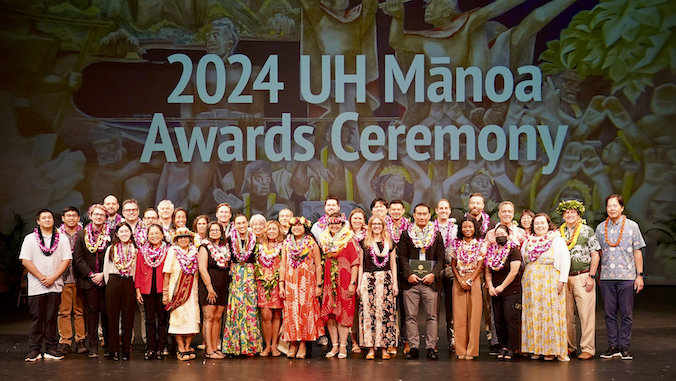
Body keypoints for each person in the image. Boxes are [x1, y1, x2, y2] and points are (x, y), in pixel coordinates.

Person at [596, 194, 645, 360]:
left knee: (626, 313)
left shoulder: (632, 226)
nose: (612, 208)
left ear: (622, 208)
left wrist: (639, 275)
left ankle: (624, 346)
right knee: (609, 313)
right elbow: (598, 253)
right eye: (609, 206)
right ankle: (612, 346)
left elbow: (637, 251)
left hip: (627, 276)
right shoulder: (600, 228)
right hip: (607, 277)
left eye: (615, 205)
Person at [21, 209, 72, 361]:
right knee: (37, 317)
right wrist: (42, 277)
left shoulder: (62, 239)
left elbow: (66, 259)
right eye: (44, 218)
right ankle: (34, 349)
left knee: (51, 317)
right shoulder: (30, 239)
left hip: (55, 284)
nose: (47, 220)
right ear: (38, 221)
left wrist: (53, 277)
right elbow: (26, 261)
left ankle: (51, 348)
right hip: (37, 284)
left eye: (50, 217)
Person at [398, 203, 445, 360]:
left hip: (430, 282)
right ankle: (413, 347)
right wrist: (409, 274)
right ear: (414, 215)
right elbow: (402, 257)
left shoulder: (436, 235)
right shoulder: (406, 234)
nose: (422, 216)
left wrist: (433, 274)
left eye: (425, 214)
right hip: (411, 282)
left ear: (429, 215)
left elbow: (441, 258)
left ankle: (431, 347)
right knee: (410, 316)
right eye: (419, 214)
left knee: (432, 316)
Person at [521, 213, 571, 361]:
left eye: (542, 223)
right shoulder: (528, 241)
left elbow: (565, 261)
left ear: (548, 224)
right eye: (536, 224)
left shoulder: (556, 240)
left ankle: (551, 349)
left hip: (550, 281)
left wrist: (562, 281)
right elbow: (524, 261)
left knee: (550, 313)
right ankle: (535, 348)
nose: (539, 226)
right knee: (533, 314)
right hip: (532, 282)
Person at [556, 200, 600, 360]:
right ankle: (569, 346)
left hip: (583, 276)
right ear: (563, 215)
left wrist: (591, 276)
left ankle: (588, 348)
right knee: (566, 314)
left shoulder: (587, 231)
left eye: (572, 212)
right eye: (566, 212)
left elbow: (595, 254)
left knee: (585, 314)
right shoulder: (557, 232)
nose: (569, 214)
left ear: (578, 214)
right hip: (563, 278)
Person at [484, 201, 527, 354]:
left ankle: (515, 347)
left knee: (512, 317)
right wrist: (490, 285)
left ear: (513, 212)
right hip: (495, 283)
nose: (507, 214)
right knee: (497, 318)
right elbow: (486, 262)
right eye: (504, 211)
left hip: (514, 282)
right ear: (499, 213)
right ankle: (499, 345)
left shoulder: (521, 233)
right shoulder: (490, 235)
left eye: (509, 211)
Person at [279, 217, 324, 358]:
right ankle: (293, 344)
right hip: (291, 283)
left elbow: (318, 265)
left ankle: (303, 345)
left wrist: (318, 285)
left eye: (299, 225)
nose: (296, 228)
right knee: (291, 313)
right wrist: (281, 284)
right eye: (294, 226)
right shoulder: (286, 243)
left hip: (307, 283)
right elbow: (283, 265)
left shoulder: (311, 243)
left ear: (305, 227)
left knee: (305, 312)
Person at [318, 213, 360, 359]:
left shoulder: (348, 240)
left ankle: (343, 346)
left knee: (344, 314)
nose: (334, 226)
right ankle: (334, 346)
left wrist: (352, 283)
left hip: (345, 282)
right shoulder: (325, 242)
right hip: (330, 283)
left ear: (342, 225)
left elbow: (355, 263)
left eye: (337, 224)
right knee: (331, 315)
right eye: (331, 224)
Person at [73, 204, 111, 358]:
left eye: (102, 215)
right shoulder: (81, 235)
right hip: (89, 281)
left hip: (107, 279)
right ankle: (93, 346)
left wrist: (103, 274)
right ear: (90, 215)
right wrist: (90, 274)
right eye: (96, 214)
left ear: (106, 217)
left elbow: (115, 256)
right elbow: (78, 258)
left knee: (107, 313)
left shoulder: (111, 234)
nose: (99, 217)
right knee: (92, 313)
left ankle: (109, 344)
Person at [222, 214, 263, 356]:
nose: (241, 225)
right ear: (234, 224)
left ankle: (251, 346)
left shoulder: (254, 238)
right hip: (236, 275)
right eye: (238, 223)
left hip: (250, 276)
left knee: (250, 309)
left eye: (243, 223)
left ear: (247, 223)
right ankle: (235, 346)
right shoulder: (229, 239)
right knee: (236, 308)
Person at [359, 215, 398, 360]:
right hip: (368, 279)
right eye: (373, 224)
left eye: (379, 224)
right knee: (369, 314)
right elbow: (361, 265)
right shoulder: (364, 243)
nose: (376, 226)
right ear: (370, 226)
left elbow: (393, 264)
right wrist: (358, 284)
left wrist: (395, 283)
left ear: (383, 226)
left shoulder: (389, 242)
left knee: (385, 314)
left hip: (386, 279)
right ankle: (370, 348)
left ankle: (384, 347)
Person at [449, 216, 484, 360]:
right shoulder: (456, 244)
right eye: (465, 227)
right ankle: (460, 350)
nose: (467, 229)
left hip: (473, 279)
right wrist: (460, 280)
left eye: (470, 227)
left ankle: (472, 350)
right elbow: (453, 264)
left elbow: (480, 265)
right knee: (459, 317)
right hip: (459, 279)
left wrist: (469, 280)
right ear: (461, 229)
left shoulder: (481, 244)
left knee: (474, 317)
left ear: (475, 228)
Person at [163, 227, 200, 361]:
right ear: (176, 240)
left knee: (191, 319)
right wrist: (165, 293)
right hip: (176, 292)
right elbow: (166, 273)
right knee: (177, 319)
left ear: (190, 238)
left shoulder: (195, 252)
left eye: (186, 237)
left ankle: (188, 345)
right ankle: (180, 347)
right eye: (180, 237)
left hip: (192, 292)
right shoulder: (172, 251)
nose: (183, 239)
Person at [103, 222, 138, 361]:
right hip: (113, 282)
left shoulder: (134, 250)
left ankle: (126, 350)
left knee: (128, 317)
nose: (124, 234)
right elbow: (106, 270)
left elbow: (135, 270)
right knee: (112, 317)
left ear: (130, 233)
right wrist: (109, 285)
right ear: (117, 234)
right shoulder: (111, 249)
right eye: (121, 232)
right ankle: (113, 349)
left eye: (127, 231)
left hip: (128, 282)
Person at [197, 222, 230, 360]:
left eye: (218, 230)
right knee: (209, 318)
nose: (215, 232)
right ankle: (209, 349)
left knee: (218, 318)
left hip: (223, 286)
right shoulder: (204, 247)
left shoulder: (225, 248)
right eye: (212, 230)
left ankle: (216, 347)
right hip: (209, 287)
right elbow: (202, 269)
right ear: (208, 232)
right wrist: (210, 289)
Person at [135, 224, 168, 360]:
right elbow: (137, 271)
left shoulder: (168, 250)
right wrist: (138, 291)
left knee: (162, 319)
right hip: (146, 289)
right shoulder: (142, 251)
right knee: (149, 320)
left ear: (162, 234)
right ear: (147, 236)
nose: (154, 236)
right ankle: (150, 348)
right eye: (151, 233)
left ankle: (161, 348)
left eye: (157, 233)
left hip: (162, 290)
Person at [56, 206, 86, 356]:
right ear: (63, 218)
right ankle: (65, 341)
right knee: (64, 312)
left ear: (78, 218)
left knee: (80, 312)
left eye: (74, 215)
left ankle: (81, 339)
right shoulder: (57, 236)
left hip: (80, 278)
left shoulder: (85, 234)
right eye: (68, 215)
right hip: (63, 278)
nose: (71, 218)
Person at [256, 220, 284, 357]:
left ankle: (274, 346)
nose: (272, 231)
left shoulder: (283, 246)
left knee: (277, 315)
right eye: (269, 229)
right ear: (265, 231)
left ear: (279, 231)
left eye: (274, 229)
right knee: (266, 316)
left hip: (277, 284)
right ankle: (266, 346)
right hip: (263, 284)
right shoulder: (259, 247)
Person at [436, 199, 458, 352]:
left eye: (446, 208)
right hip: (435, 269)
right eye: (441, 208)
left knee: (452, 306)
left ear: (450, 211)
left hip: (451, 268)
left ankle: (453, 339)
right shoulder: (430, 228)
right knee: (433, 307)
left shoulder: (457, 228)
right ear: (436, 211)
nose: (443, 210)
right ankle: (433, 340)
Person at [347, 208, 367, 354]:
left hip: (367, 272)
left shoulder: (369, 235)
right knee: (352, 309)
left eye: (360, 219)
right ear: (350, 220)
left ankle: (366, 339)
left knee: (366, 308)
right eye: (355, 219)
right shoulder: (345, 236)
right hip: (350, 274)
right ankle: (354, 341)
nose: (357, 221)